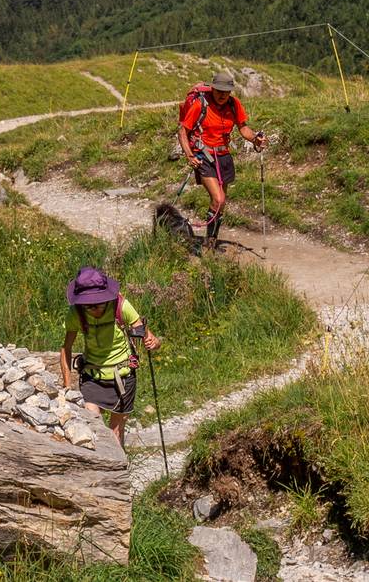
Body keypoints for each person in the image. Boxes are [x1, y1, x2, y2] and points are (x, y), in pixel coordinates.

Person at [58, 265, 160, 444]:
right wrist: (67, 385)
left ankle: (118, 461)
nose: (94, 309)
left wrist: (154, 342)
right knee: (92, 425)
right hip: (92, 377)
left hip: (123, 377)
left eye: (99, 303)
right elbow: (66, 348)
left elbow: (147, 335)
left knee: (115, 434)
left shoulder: (121, 305)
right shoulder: (76, 313)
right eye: (88, 305)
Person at [177, 68, 264, 249]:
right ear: (213, 89)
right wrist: (189, 155)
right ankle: (210, 244)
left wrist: (255, 139)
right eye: (219, 91)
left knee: (220, 202)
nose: (223, 95)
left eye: (226, 92)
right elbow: (183, 131)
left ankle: (211, 240)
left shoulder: (234, 104)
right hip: (203, 156)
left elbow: (243, 128)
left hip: (224, 156)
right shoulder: (200, 104)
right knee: (219, 199)